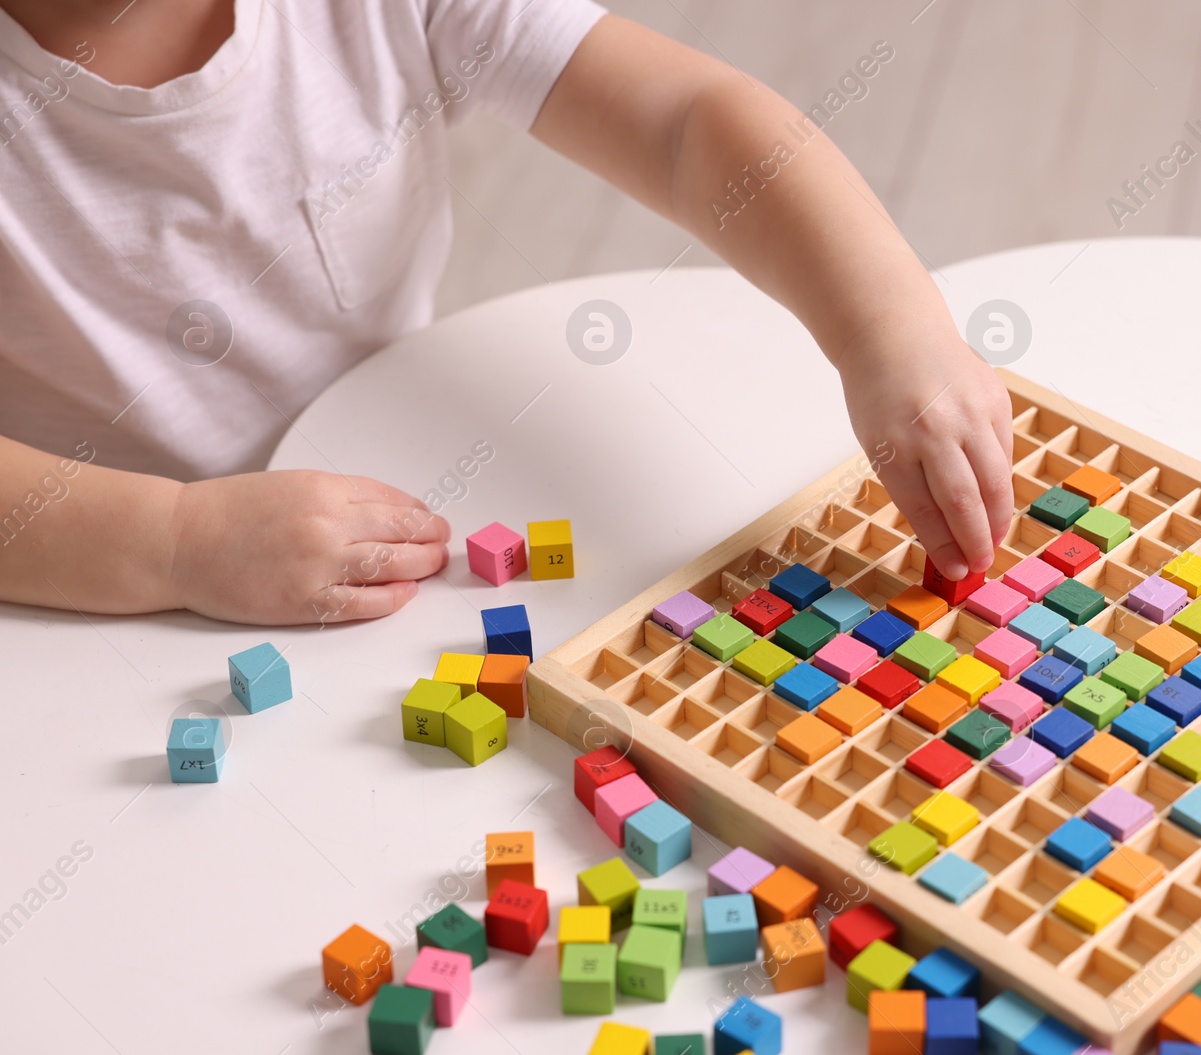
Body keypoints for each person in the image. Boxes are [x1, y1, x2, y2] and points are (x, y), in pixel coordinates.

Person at [0, 0, 1013, 623]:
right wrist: (177, 540)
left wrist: (887, 323)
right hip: (80, 580)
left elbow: (686, 126)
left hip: (384, 513)